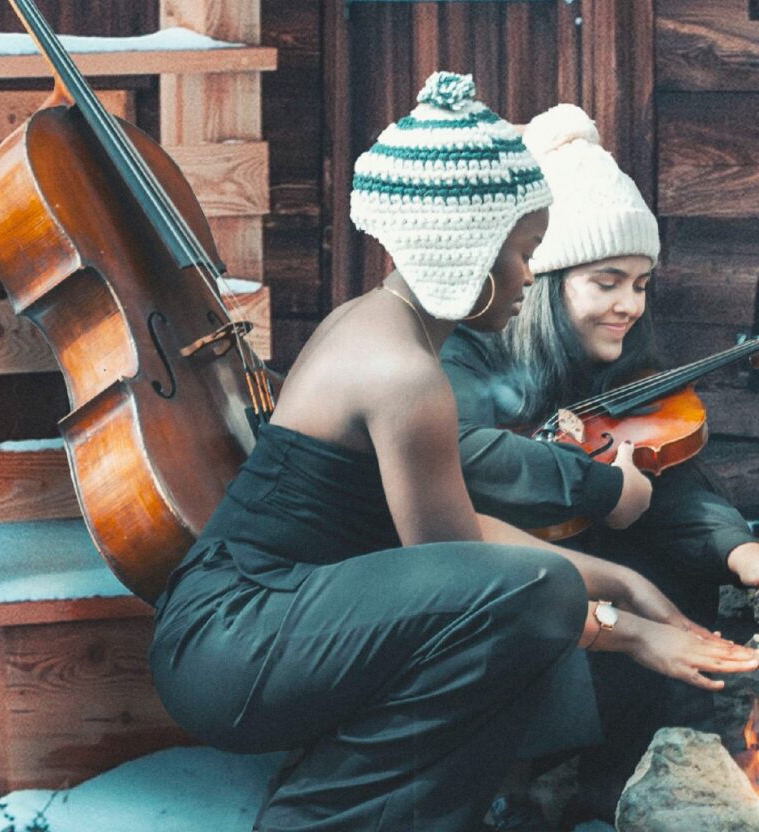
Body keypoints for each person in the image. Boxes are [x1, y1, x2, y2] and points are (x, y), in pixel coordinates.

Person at [149, 74, 758, 832]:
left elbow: (461, 545)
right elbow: (479, 583)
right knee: (532, 604)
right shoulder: (403, 373)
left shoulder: (377, 325)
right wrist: (631, 633)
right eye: (525, 252)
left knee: (530, 603)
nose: (530, 275)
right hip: (235, 642)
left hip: (254, 628)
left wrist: (628, 583)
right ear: (468, 251)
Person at [440, 102, 759, 821]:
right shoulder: (467, 356)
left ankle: (612, 778)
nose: (629, 306)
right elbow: (462, 455)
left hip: (585, 589)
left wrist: (741, 552)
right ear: (546, 282)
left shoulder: (616, 370)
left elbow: (670, 481)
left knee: (676, 566)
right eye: (607, 281)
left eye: (641, 285)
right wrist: (597, 484)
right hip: (495, 587)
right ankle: (523, 782)